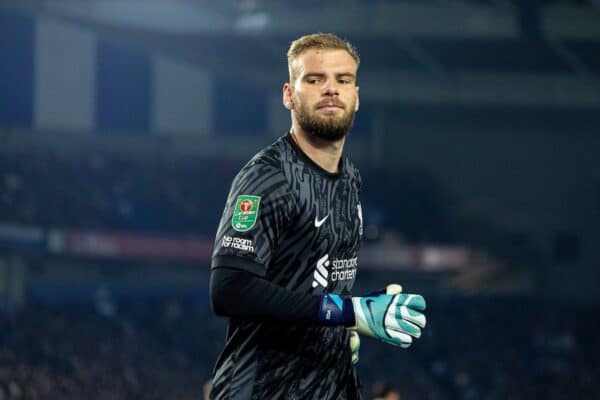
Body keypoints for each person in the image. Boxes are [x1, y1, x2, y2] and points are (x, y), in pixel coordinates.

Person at [209, 33, 427, 400]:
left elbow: (314, 287)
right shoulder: (267, 176)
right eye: (315, 80)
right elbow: (230, 289)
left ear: (356, 98)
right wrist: (349, 312)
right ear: (288, 95)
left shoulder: (350, 178)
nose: (331, 90)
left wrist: (349, 325)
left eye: (343, 80)